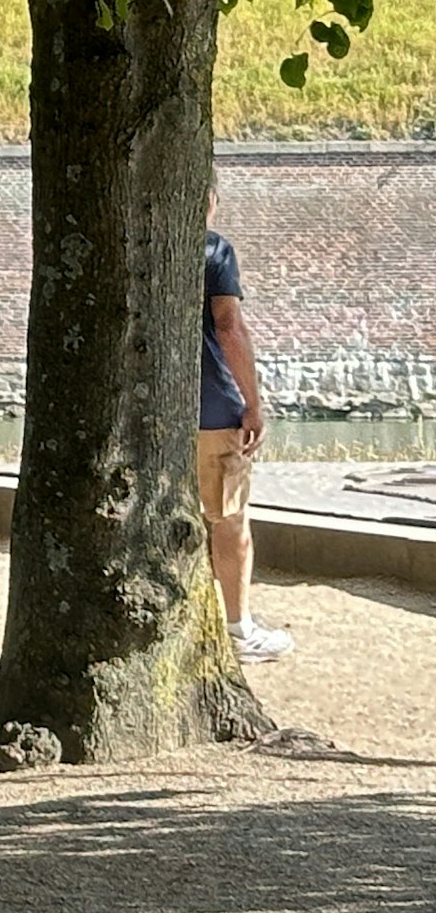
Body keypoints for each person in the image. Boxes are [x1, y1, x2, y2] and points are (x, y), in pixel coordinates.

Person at [202, 200, 289, 660]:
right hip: (211, 408)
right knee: (229, 520)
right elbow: (229, 325)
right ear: (210, 200)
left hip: (144, 413)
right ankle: (238, 630)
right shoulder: (214, 251)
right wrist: (253, 403)